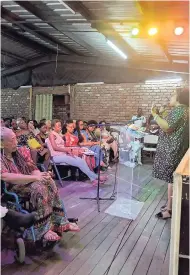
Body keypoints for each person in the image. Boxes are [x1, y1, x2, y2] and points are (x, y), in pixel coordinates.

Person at [1, 127, 80, 241]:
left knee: (48, 181)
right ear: (2, 144)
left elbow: (32, 167)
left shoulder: (21, 151)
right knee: (40, 188)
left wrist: (41, 176)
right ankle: (43, 230)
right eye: (12, 140)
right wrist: (35, 178)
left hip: (28, 181)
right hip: (12, 187)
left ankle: (60, 221)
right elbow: (5, 176)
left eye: (15, 138)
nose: (16, 142)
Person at [152, 88, 189, 219]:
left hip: (174, 150)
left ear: (179, 97)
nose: (171, 97)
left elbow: (167, 127)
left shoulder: (180, 109)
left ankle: (169, 210)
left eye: (173, 94)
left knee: (172, 181)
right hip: (178, 149)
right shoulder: (184, 110)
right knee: (172, 180)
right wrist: (160, 116)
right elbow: (168, 125)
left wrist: (155, 115)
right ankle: (170, 204)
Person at [48, 119, 107, 185]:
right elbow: (54, 147)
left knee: (81, 161)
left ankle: (93, 179)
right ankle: (96, 177)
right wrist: (68, 150)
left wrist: (71, 149)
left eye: (60, 126)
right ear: (53, 127)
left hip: (62, 154)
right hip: (56, 156)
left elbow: (63, 146)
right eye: (58, 126)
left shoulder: (58, 134)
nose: (60, 127)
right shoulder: (52, 134)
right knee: (79, 161)